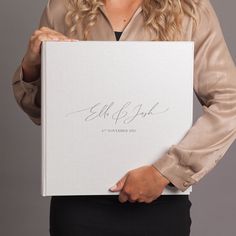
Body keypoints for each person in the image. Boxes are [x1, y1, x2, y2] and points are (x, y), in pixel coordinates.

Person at [11, 0, 236, 235]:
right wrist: (31, 65)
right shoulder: (62, 8)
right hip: (78, 207)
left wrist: (165, 172)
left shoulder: (191, 9)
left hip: (159, 204)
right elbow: (41, 113)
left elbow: (230, 101)